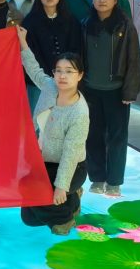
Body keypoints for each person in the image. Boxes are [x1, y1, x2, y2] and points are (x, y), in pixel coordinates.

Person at [17, 26, 89, 235]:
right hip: (45, 162)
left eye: (69, 71)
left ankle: (65, 216)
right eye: (58, 70)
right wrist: (22, 42)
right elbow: (33, 69)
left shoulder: (79, 112)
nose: (62, 76)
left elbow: (71, 154)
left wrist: (62, 187)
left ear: (80, 75)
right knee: (29, 219)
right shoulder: (50, 87)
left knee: (33, 192)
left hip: (72, 168)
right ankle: (72, 201)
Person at [81, 0, 140, 198]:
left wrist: (130, 91)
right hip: (90, 90)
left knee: (117, 137)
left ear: (115, 0)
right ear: (92, 0)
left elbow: (134, 60)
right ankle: (97, 178)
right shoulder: (85, 24)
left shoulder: (125, 26)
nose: (102, 0)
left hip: (116, 91)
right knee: (93, 135)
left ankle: (114, 182)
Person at [22, 0, 82, 112]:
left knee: (62, 118)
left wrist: (65, 72)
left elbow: (76, 49)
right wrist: (46, 77)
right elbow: (28, 53)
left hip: (65, 80)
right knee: (38, 119)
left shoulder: (71, 20)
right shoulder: (30, 21)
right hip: (38, 82)